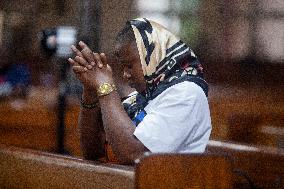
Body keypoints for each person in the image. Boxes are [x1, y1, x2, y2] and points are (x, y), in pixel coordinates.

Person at [68, 18, 211, 165]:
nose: (125, 74)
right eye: (123, 67)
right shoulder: (141, 97)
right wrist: (91, 92)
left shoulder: (186, 94)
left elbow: (134, 154)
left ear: (154, 57)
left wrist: (105, 87)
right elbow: (93, 152)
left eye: (129, 66)